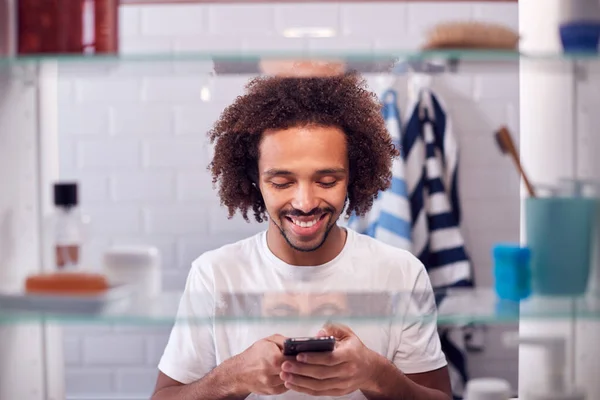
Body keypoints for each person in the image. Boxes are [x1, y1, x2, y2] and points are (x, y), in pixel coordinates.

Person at [151, 71, 452, 400]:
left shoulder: (402, 272)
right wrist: (234, 376)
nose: (305, 203)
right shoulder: (213, 274)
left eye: (326, 181)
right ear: (255, 181)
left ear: (353, 176)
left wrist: (375, 374)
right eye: (282, 182)